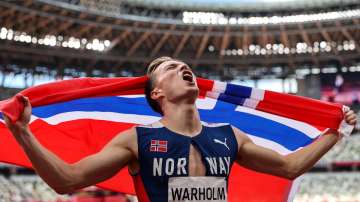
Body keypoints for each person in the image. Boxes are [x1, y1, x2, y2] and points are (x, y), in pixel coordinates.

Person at [4, 56, 357, 202]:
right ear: (156, 93)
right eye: (171, 69)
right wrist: (24, 133)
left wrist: (334, 133)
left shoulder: (230, 135)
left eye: (184, 66)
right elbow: (67, 180)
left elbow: (290, 167)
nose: (182, 68)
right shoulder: (136, 140)